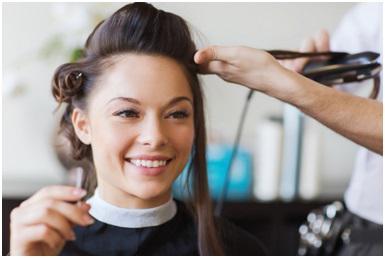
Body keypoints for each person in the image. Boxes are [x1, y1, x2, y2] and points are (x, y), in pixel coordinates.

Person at [9, 3, 266, 256]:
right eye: (127, 113)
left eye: (177, 114)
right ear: (83, 125)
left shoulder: (237, 249)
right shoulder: (44, 246)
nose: (155, 137)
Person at [194, 2, 382, 255]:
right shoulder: (371, 12)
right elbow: (335, 87)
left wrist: (285, 85)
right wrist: (314, 76)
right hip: (358, 223)